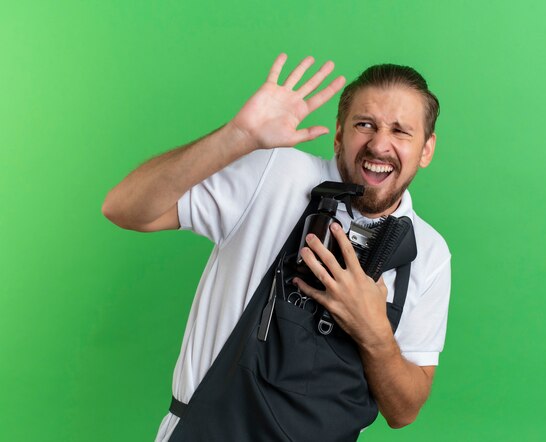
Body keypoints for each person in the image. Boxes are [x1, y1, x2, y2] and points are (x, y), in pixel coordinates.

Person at [102, 54, 451, 441]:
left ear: (426, 149)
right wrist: (237, 137)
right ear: (339, 134)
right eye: (364, 124)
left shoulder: (430, 254)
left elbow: (404, 411)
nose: (380, 144)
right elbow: (123, 208)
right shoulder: (274, 174)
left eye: (401, 131)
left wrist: (374, 333)